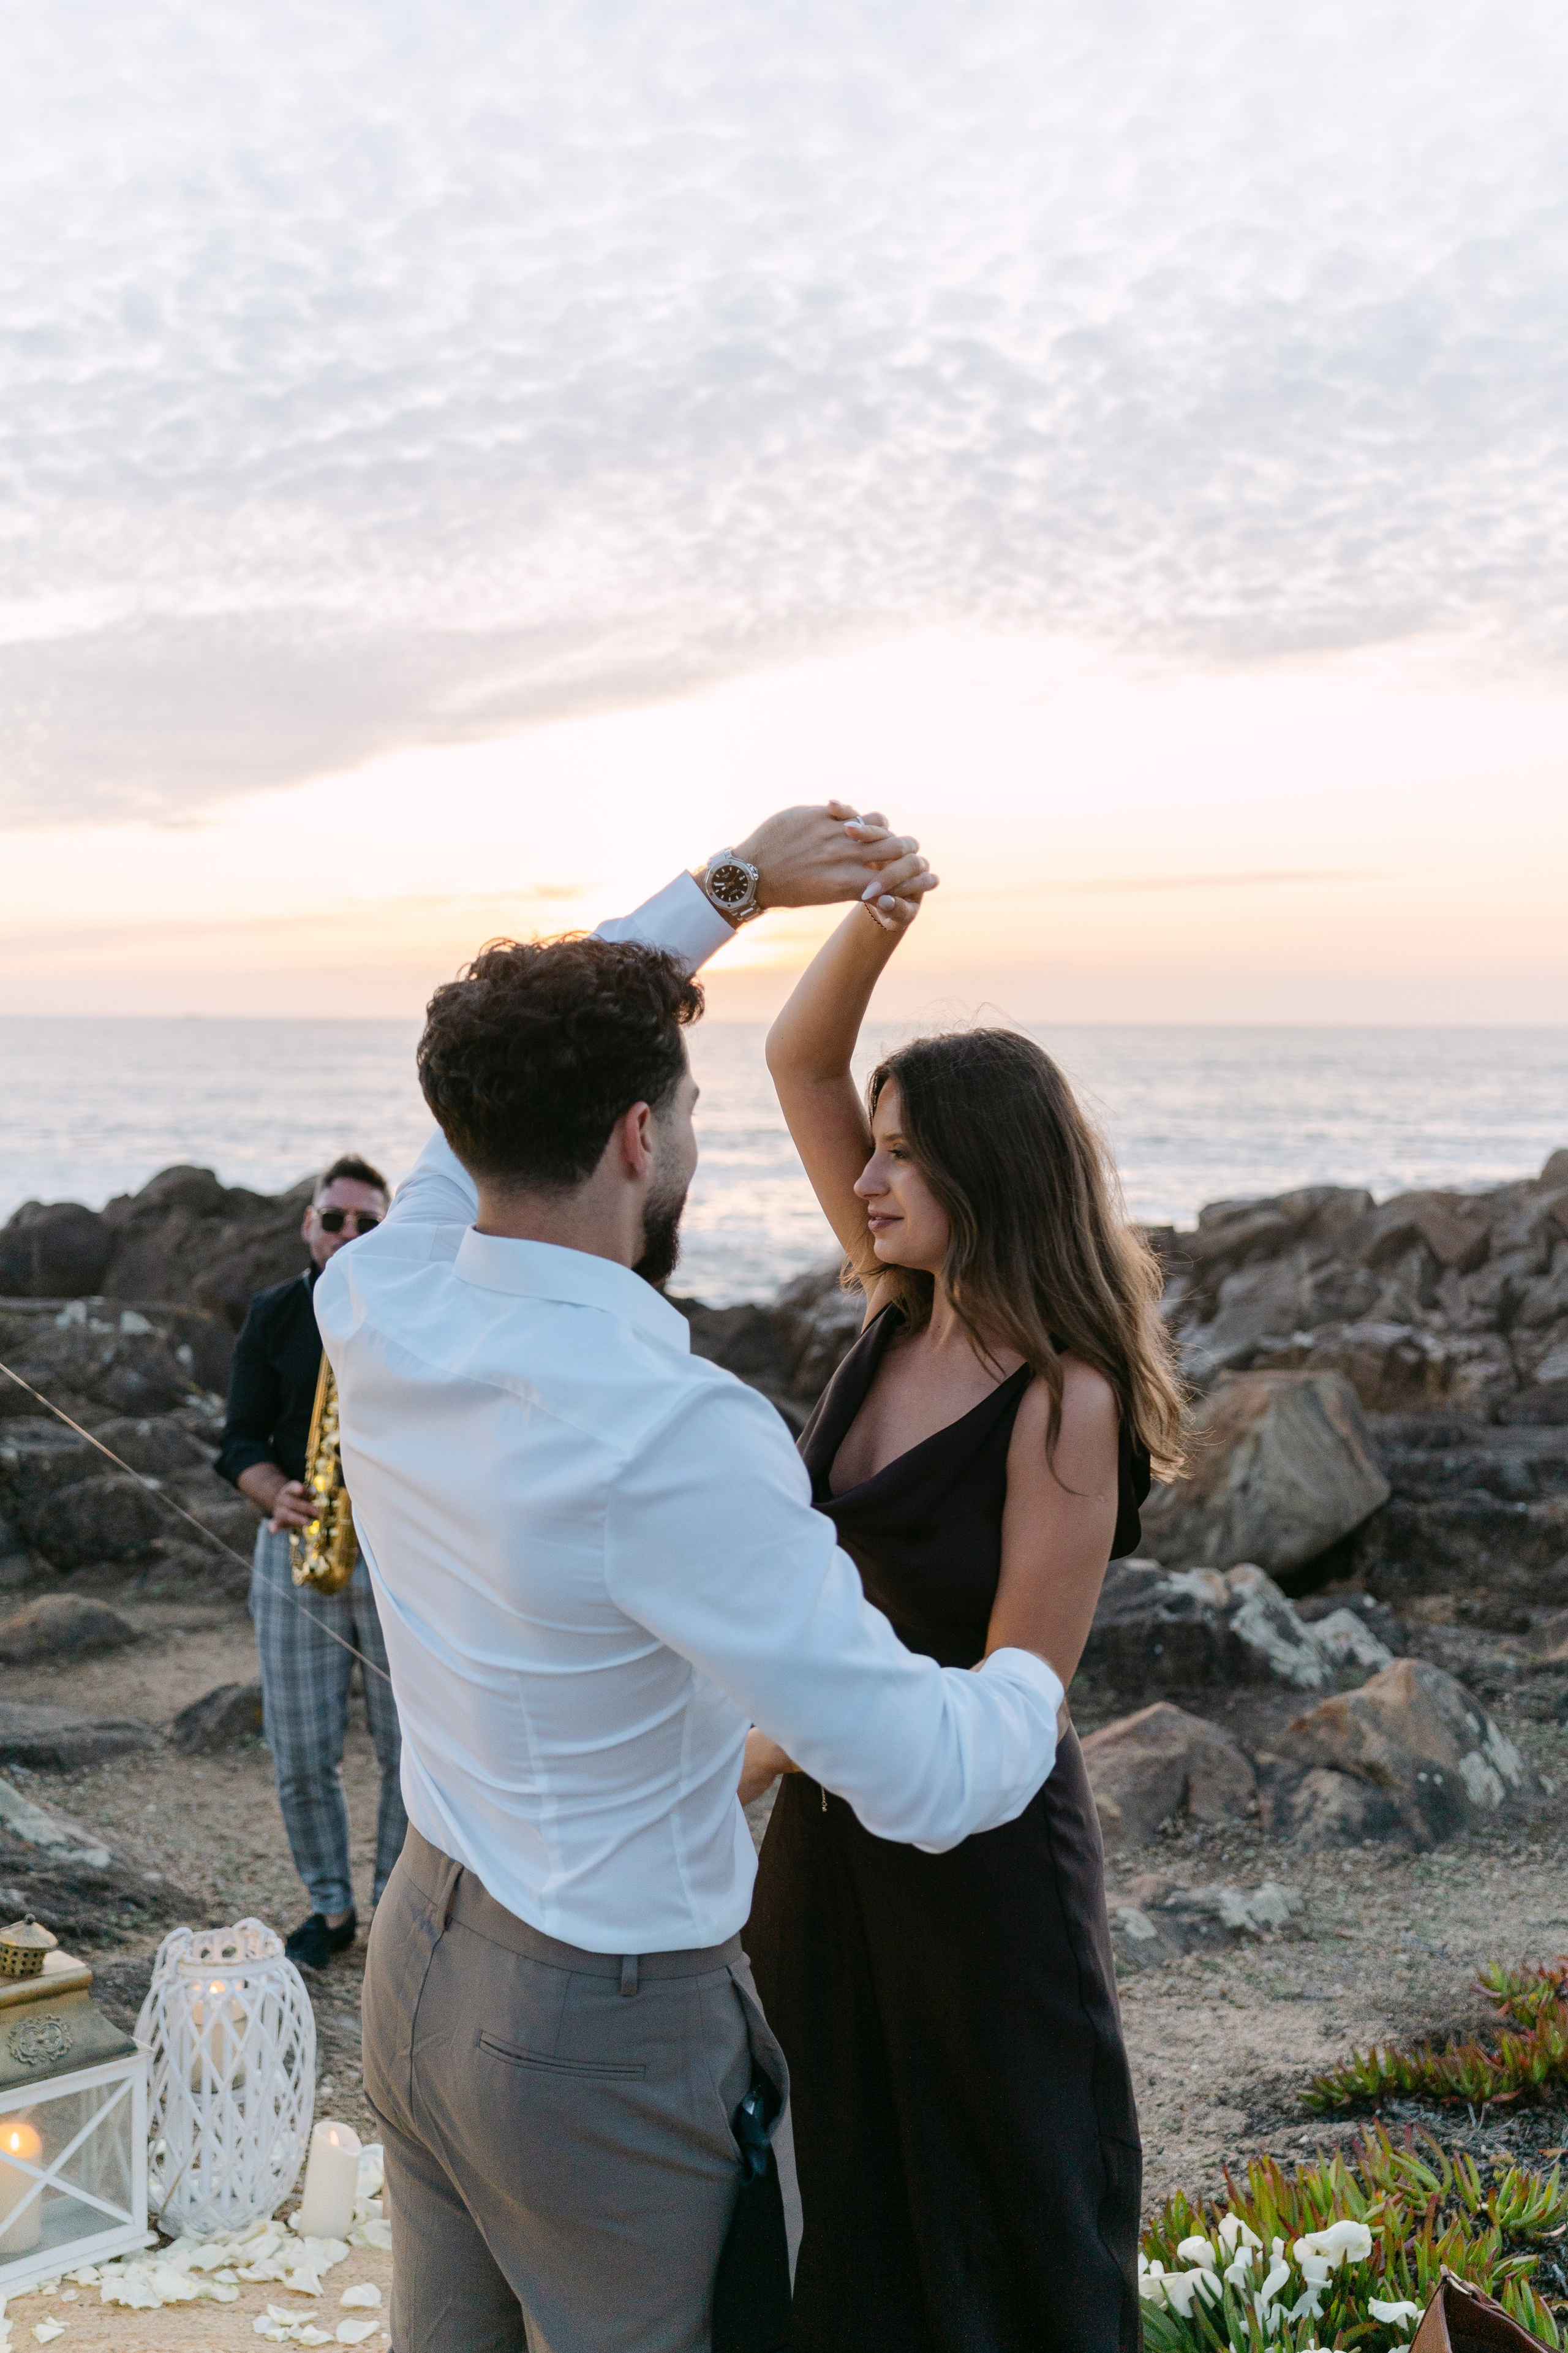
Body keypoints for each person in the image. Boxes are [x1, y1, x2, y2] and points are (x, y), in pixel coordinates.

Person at [313, 806, 1071, 2353]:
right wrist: (1030, 1670)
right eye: (687, 1110)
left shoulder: (377, 1291)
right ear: (638, 1142)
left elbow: (516, 1078)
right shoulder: (671, 1431)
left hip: (418, 1956)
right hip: (595, 2034)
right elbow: (927, 1778)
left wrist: (728, 889)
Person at [740, 884, 1188, 2353]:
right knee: (836, 2193)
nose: (866, 1179)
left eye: (902, 1153)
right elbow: (796, 1059)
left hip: (981, 1862)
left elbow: (1013, 1692)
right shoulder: (893, 1307)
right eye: (868, 1148)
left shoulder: (1064, 1399)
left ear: (982, 1172)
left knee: (1009, 2211)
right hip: (827, 1841)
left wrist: (770, 1744)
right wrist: (874, 911)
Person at [215, 1152, 407, 1974]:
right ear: (309, 1224)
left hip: (398, 1554)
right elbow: (239, 1439)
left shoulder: (414, 1312)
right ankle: (330, 1907)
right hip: (299, 1545)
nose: (348, 1234)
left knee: (414, 1753)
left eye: (368, 1223)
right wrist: (273, 1491)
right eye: (334, 1219)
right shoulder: (273, 1313)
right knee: (299, 1752)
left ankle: (399, 1910)